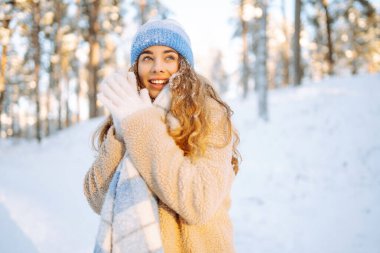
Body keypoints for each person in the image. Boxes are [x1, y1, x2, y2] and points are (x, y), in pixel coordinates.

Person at [84, 18, 240, 253]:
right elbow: (98, 199)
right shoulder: (128, 115)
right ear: (136, 66)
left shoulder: (209, 115)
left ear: (184, 65)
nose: (158, 67)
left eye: (169, 57)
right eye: (147, 57)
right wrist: (120, 133)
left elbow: (199, 203)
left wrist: (140, 124)